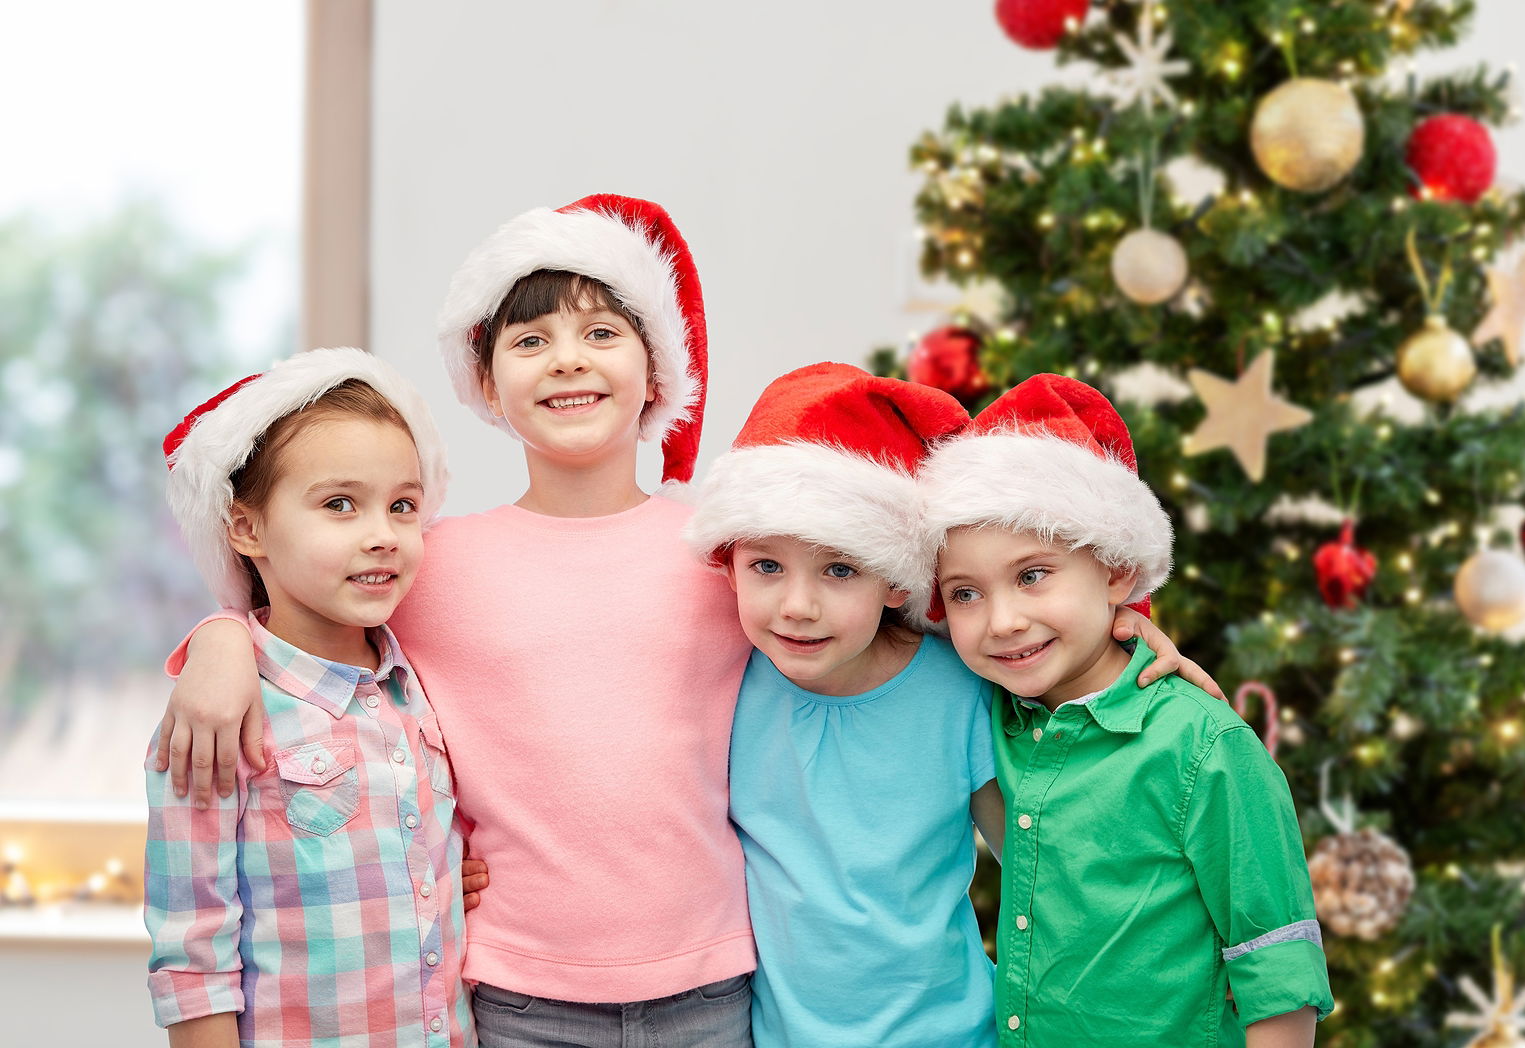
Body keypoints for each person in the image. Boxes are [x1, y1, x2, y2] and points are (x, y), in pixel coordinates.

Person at [153, 196, 1218, 1048]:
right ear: (484, 378)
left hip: (717, 984)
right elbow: (319, 645)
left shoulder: (728, 551)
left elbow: (934, 598)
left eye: (601, 331)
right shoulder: (434, 563)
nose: (568, 359)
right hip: (516, 987)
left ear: (655, 368)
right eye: (530, 337)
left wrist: (1124, 636)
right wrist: (218, 641)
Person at [918, 373, 1335, 1047]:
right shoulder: (987, 710)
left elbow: (1276, 963)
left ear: (1116, 570)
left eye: (1032, 575)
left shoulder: (1203, 746)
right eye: (964, 593)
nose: (1002, 621)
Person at [145, 347, 475, 1047]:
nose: (382, 535)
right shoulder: (218, 714)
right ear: (246, 528)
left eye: (403, 505)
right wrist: (220, 638)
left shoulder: (417, 681)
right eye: (339, 504)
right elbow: (194, 950)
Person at [683, 362, 1005, 1047]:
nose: (798, 607)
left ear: (895, 579)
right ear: (729, 562)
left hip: (951, 1035)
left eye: (839, 569)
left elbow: (1038, 868)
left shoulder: (959, 691)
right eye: (766, 567)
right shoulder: (727, 678)